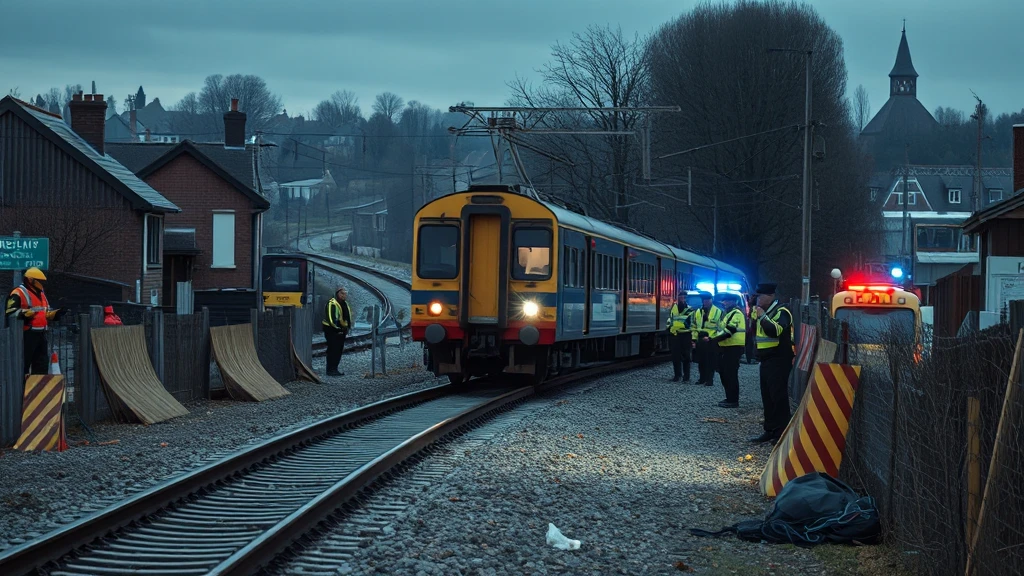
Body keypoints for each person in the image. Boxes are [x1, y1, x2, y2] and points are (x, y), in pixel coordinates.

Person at [749, 283, 795, 444]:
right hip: (765, 359)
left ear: (771, 296)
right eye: (757, 296)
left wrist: (761, 316)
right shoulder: (762, 311)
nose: (758, 299)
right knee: (767, 397)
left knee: (778, 397)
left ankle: (781, 433)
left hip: (779, 359)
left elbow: (774, 331)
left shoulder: (782, 312)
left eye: (761, 296)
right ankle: (770, 430)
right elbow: (753, 331)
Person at [5, 267, 64, 375]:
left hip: (41, 334)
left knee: (42, 364)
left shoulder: (41, 294)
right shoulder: (18, 292)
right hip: (26, 334)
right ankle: (22, 388)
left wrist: (55, 314)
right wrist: (24, 314)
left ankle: (38, 389)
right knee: (23, 365)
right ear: (30, 279)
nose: (40, 283)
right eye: (38, 280)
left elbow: (45, 312)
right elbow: (10, 312)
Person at [711, 292, 746, 408]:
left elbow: (730, 330)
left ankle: (733, 400)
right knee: (724, 373)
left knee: (730, 374)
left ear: (733, 302)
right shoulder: (727, 314)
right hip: (726, 347)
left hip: (733, 348)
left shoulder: (736, 314)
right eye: (724, 301)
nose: (724, 303)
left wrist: (715, 339)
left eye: (726, 301)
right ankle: (729, 398)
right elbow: (722, 330)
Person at [691, 291, 722, 386]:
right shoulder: (698, 312)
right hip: (700, 339)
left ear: (711, 300)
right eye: (704, 300)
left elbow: (720, 328)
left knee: (710, 361)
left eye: (707, 300)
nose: (705, 302)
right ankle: (702, 378)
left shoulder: (718, 311)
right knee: (701, 361)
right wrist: (694, 340)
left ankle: (709, 380)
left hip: (711, 340)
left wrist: (714, 339)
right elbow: (694, 326)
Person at [322, 286, 353, 377]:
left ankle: (334, 368)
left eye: (345, 294)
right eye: (342, 293)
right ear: (337, 294)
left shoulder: (345, 303)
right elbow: (332, 319)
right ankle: (331, 369)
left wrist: (347, 327)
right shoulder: (332, 303)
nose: (344, 296)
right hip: (332, 330)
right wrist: (338, 328)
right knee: (333, 349)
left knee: (338, 350)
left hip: (341, 330)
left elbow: (347, 317)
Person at [666, 292, 695, 382]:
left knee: (686, 357)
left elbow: (691, 323)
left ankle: (686, 377)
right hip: (675, 335)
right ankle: (677, 375)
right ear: (678, 298)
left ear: (686, 298)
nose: (682, 298)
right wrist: (669, 328)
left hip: (686, 335)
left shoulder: (690, 309)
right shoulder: (673, 308)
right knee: (675, 357)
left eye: (684, 297)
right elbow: (670, 319)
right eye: (680, 296)